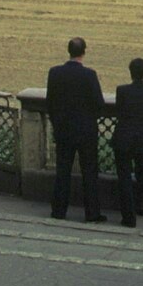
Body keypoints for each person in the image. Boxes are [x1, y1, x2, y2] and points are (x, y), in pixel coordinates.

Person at [46, 37, 105, 222]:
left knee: (62, 171)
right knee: (89, 173)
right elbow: (99, 104)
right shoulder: (89, 75)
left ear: (68, 51)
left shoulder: (54, 73)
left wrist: (57, 123)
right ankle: (92, 213)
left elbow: (50, 103)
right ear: (83, 52)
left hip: (63, 130)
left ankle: (58, 211)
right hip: (86, 131)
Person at [111, 57, 143, 227]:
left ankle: (128, 216)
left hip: (124, 137)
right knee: (141, 171)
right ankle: (141, 204)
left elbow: (120, 111)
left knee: (124, 177)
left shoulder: (122, 91)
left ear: (130, 73)